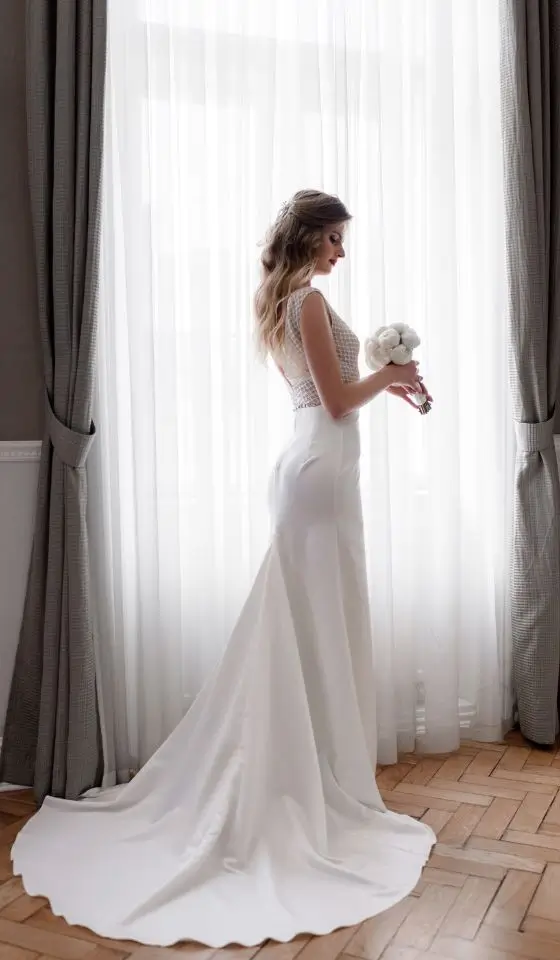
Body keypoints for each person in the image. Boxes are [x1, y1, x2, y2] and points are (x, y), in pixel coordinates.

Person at [11, 190, 435, 949]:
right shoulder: (305, 302)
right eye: (335, 239)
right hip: (318, 472)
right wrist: (394, 374)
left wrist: (388, 375)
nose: (342, 252)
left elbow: (325, 396)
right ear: (308, 240)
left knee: (311, 624)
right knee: (308, 621)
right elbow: (336, 402)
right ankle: (296, 783)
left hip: (318, 472)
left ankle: (312, 769)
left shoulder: (288, 303)